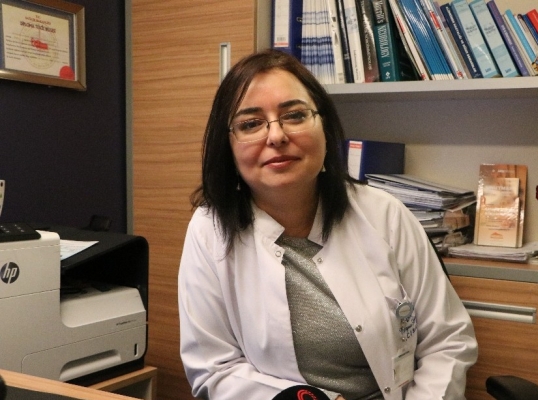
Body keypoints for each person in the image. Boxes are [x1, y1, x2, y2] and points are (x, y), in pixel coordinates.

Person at [178, 49, 478, 400]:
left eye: (294, 115)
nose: (276, 136)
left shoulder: (385, 214)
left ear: (325, 128)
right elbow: (214, 368)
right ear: (227, 146)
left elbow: (447, 341)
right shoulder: (209, 231)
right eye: (250, 124)